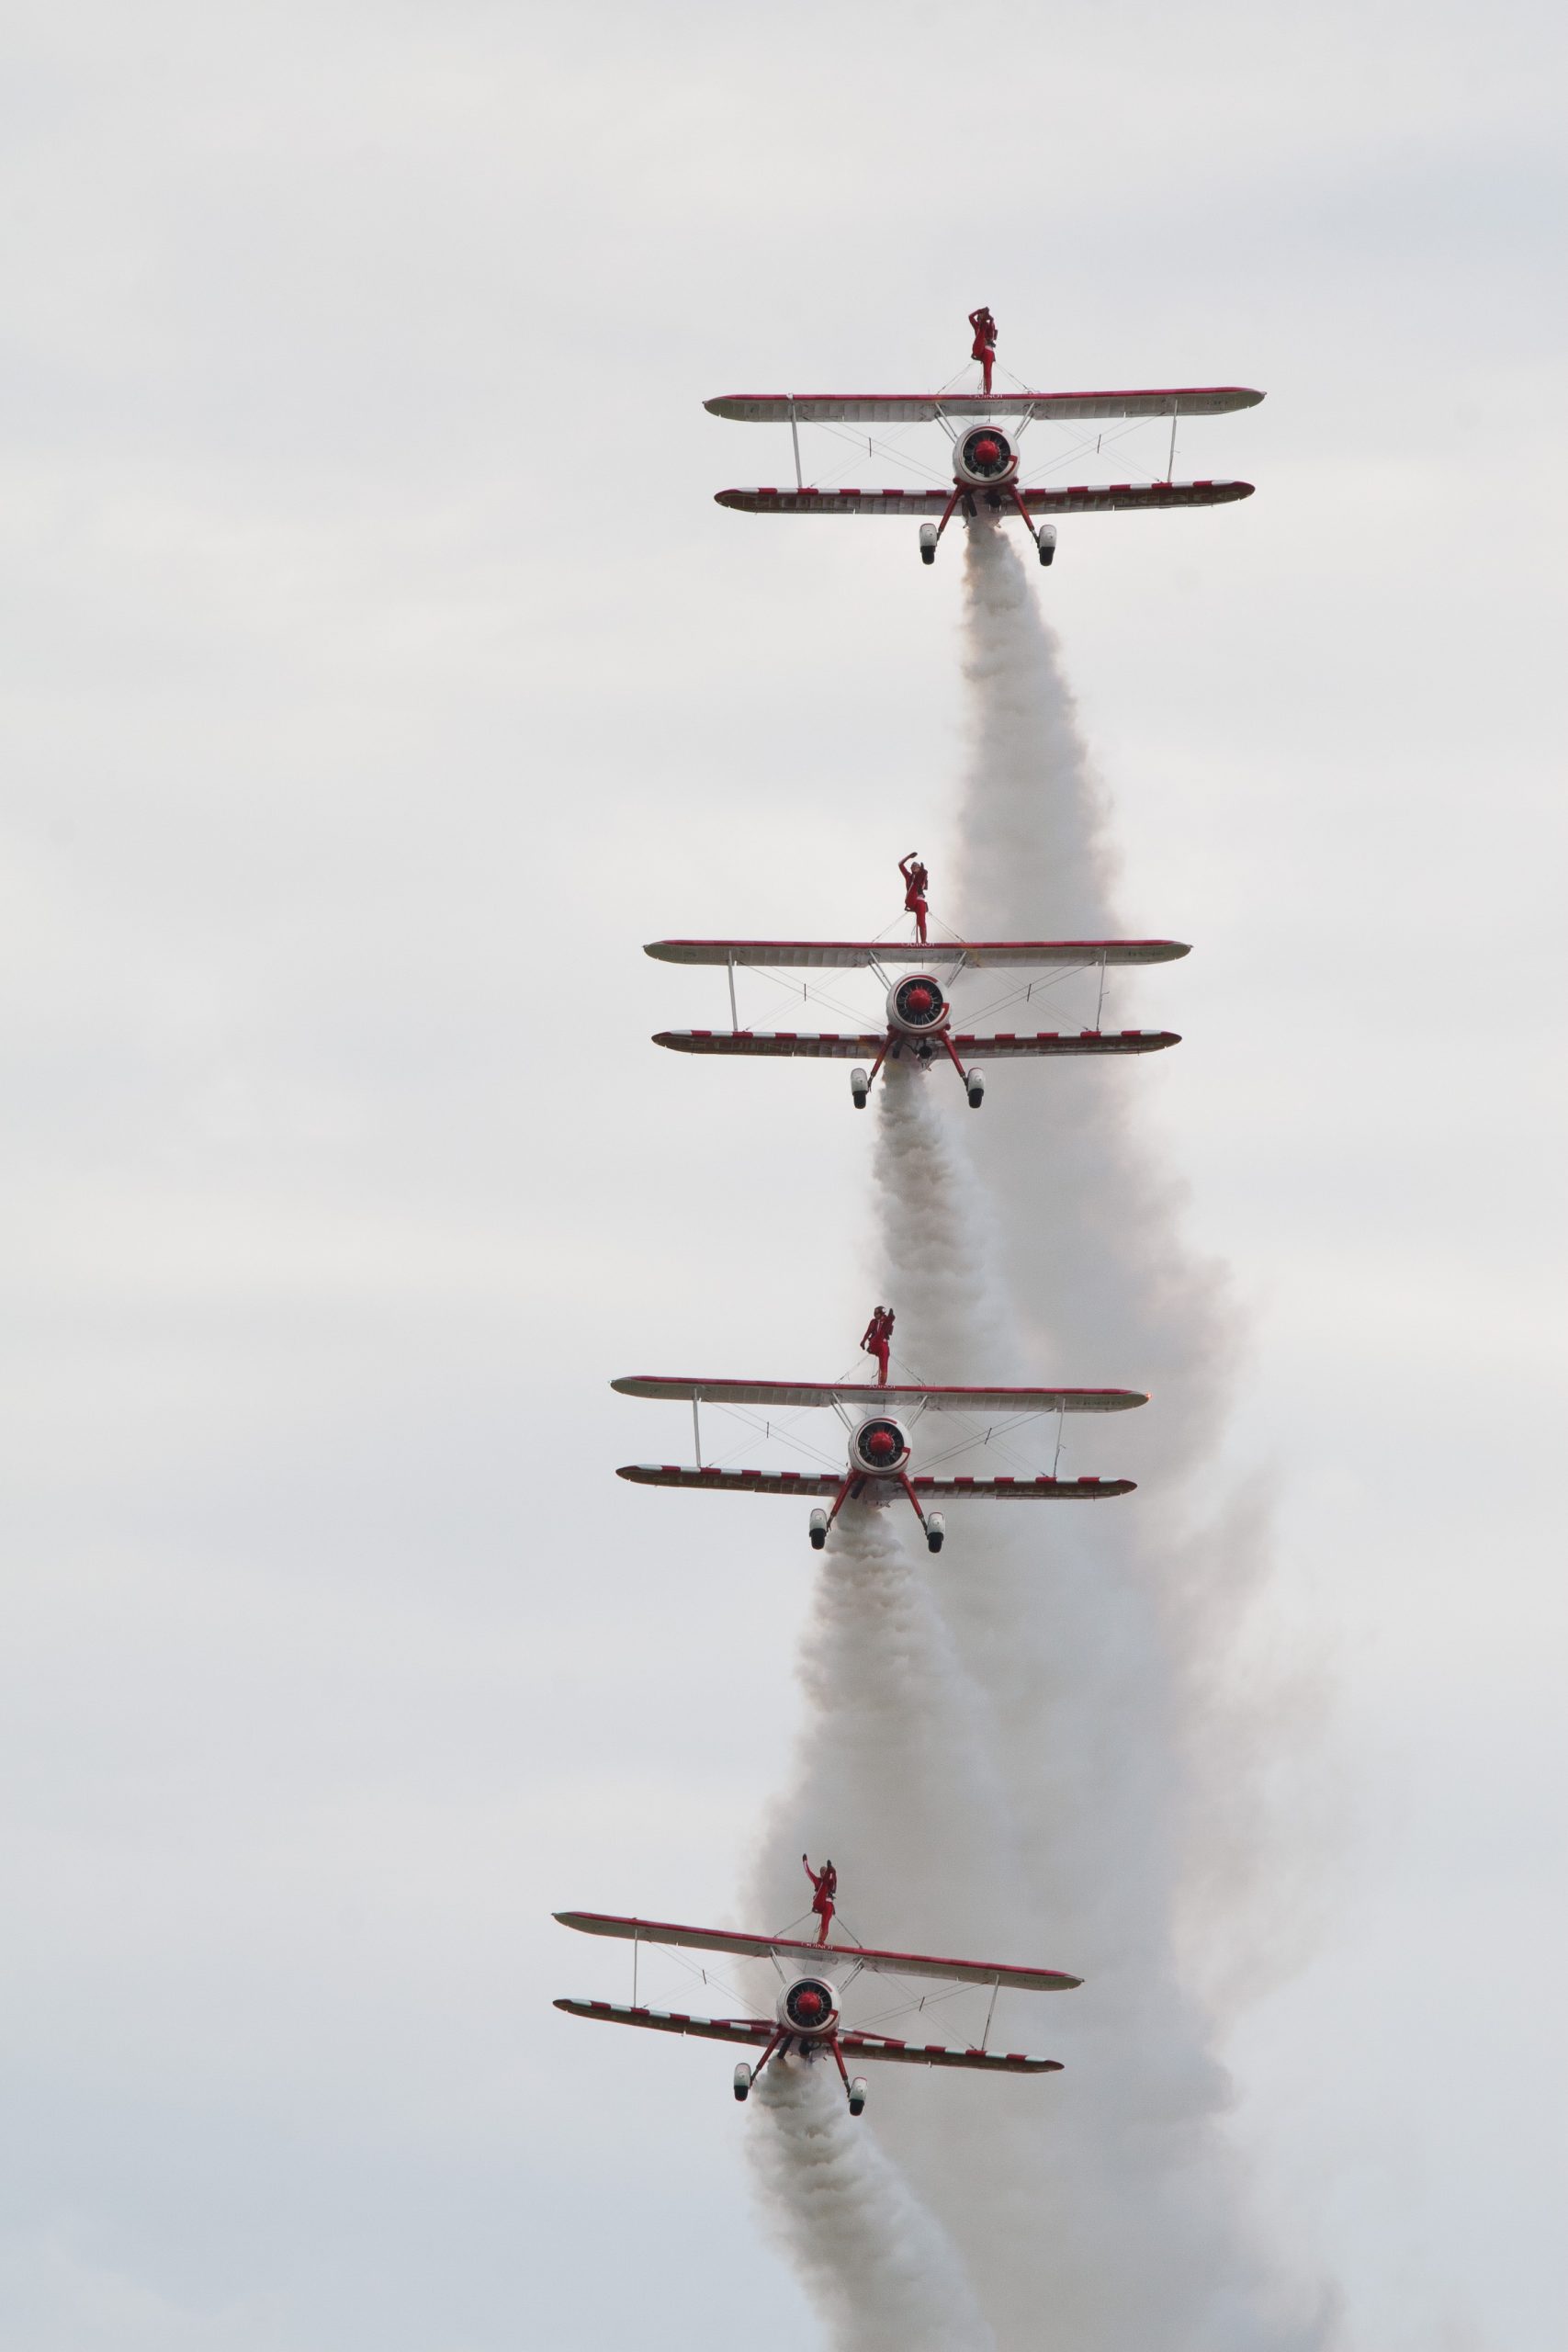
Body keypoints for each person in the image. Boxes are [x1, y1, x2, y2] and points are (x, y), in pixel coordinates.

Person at [802, 1855, 839, 1946]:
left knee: (825, 1922)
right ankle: (831, 1870)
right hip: (819, 1902)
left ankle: (821, 1941)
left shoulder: (830, 1882)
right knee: (823, 1885)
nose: (823, 1873)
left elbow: (833, 1880)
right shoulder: (817, 1881)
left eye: (825, 1871)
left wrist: (832, 1872)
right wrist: (805, 1861)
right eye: (822, 1872)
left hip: (828, 1904)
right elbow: (808, 1872)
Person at [861, 1304, 895, 1387]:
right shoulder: (873, 1322)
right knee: (880, 1335)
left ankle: (882, 1383)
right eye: (874, 1314)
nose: (875, 1315)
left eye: (877, 1314)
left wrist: (890, 1318)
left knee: (884, 1363)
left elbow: (891, 1321)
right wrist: (863, 1341)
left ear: (881, 1314)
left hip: (883, 1345)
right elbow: (868, 1332)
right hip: (874, 1344)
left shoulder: (886, 1320)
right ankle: (880, 1336)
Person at [898, 852, 930, 944]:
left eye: (916, 866)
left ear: (919, 868)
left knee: (921, 921)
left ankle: (924, 942)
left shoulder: (923, 876)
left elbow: (924, 877)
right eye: (912, 866)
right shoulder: (908, 876)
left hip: (920, 900)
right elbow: (900, 865)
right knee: (914, 883)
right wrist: (909, 857)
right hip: (911, 899)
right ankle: (917, 881)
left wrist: (923, 873)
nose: (914, 867)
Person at [968, 304, 998, 397]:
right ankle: (982, 327)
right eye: (979, 318)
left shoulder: (990, 326)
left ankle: (987, 393)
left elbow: (992, 331)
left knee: (987, 372)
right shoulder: (977, 326)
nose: (979, 319)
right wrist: (979, 310)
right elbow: (970, 317)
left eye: (982, 318)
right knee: (981, 332)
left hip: (988, 351)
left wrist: (991, 319)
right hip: (979, 349)